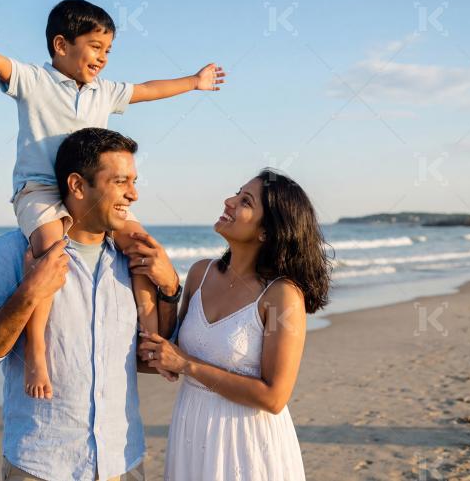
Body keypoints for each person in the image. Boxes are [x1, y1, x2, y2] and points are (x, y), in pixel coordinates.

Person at [0, 0, 224, 398]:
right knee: (51, 252)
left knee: (140, 245)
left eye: (108, 49)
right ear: (61, 45)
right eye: (95, 47)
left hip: (92, 195)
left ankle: (148, 333)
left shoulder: (103, 92)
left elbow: (147, 89)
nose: (103, 57)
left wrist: (194, 82)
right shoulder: (34, 81)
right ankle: (37, 349)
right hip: (39, 188)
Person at [0, 128, 181, 480]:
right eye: (120, 181)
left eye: (134, 181)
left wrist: (170, 289)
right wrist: (28, 292)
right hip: (41, 465)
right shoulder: (11, 252)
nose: (133, 195)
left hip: (122, 462)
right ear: (77, 186)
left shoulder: (134, 261)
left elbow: (155, 358)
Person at [139, 169, 332, 480]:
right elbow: (166, 357)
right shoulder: (200, 274)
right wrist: (167, 288)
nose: (228, 201)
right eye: (236, 193)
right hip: (192, 433)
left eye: (245, 201)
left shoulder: (281, 296)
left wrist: (187, 364)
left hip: (247, 443)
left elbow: (274, 397)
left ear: (266, 231)